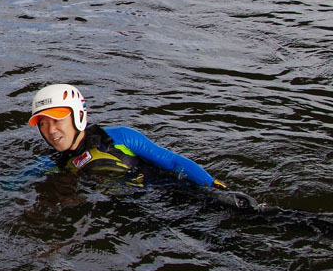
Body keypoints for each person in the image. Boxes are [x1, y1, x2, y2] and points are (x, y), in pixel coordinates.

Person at [24, 84, 261, 209]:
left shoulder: (120, 138)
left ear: (78, 116)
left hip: (173, 194)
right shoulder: (54, 163)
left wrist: (215, 187)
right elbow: (11, 185)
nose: (51, 130)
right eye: (43, 123)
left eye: (58, 120)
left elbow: (172, 161)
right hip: (134, 211)